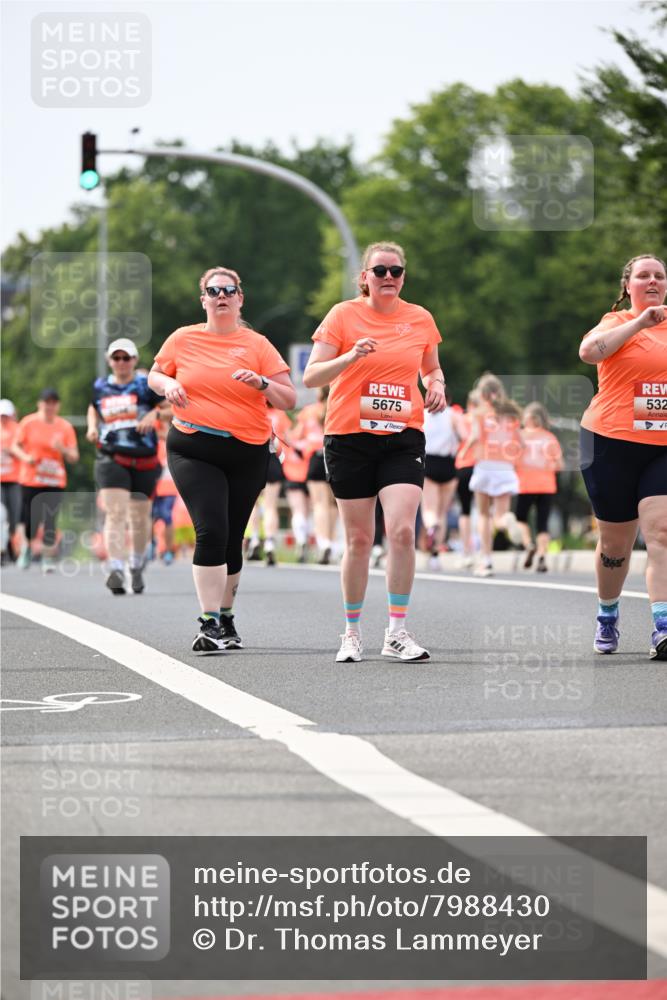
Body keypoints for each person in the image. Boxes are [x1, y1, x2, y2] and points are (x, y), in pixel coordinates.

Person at [304, 240, 445, 662]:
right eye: (379, 270)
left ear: (404, 276)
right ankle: (351, 631)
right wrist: (349, 356)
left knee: (402, 530)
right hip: (350, 437)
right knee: (360, 539)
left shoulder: (419, 318)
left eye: (396, 271)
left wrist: (435, 383)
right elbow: (311, 377)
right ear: (364, 276)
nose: (388, 277)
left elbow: (431, 366)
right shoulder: (343, 315)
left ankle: (397, 631)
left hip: (403, 436)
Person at [148, 266, 296, 652]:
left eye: (229, 290)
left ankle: (226, 617)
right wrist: (170, 383)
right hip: (193, 445)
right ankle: (209, 621)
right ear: (204, 300)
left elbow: (289, 398)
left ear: (240, 298)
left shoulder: (257, 344)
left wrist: (262, 383)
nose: (221, 296)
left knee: (232, 538)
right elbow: (154, 376)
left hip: (247, 450)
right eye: (213, 291)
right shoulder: (183, 339)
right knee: (211, 529)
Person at [579, 253, 667, 659]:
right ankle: (607, 614)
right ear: (627, 286)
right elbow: (589, 353)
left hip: (662, 449)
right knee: (615, 545)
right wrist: (640, 322)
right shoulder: (615, 322)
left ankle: (662, 627)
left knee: (661, 533)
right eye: (644, 276)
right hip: (610, 442)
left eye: (659, 276)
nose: (652, 281)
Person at [87, 338, 163, 595]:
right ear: (110, 361)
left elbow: (174, 408)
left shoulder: (145, 385)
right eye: (116, 358)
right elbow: (92, 407)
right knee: (116, 513)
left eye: (126, 358)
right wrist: (91, 427)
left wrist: (155, 415)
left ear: (134, 360)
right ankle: (116, 568)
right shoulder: (100, 386)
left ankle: (137, 564)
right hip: (111, 457)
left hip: (144, 458)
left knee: (140, 518)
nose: (121, 363)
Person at [459, 373, 523, 578]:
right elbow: (520, 443)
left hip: (485, 464)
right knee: (499, 516)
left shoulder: (479, 413)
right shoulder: (512, 414)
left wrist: (464, 450)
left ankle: (486, 560)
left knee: (484, 515)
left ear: (483, 394)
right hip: (505, 466)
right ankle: (507, 520)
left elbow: (476, 437)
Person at [11, 388, 79, 572]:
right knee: (31, 520)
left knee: (50, 519)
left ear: (58, 405)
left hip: (54, 480)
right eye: (46, 402)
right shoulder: (28, 423)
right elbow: (14, 446)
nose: (49, 406)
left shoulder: (64, 427)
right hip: (31, 478)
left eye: (53, 402)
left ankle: (48, 557)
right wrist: (26, 458)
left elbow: (74, 456)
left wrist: (62, 449)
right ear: (39, 403)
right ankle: (27, 548)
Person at [515, 402, 563, 573]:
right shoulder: (549, 438)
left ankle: (529, 545)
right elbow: (559, 465)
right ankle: (542, 556)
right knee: (542, 524)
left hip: (525, 484)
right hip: (546, 485)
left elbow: (511, 459)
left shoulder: (519, 436)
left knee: (521, 519)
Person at [297, 387, 338, 564]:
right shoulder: (337, 406)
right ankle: (332, 542)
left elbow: (296, 436)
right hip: (335, 455)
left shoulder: (310, 411)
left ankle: (323, 543)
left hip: (316, 456)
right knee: (333, 504)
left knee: (319, 504)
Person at [421, 392, 462, 567]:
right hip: (449, 463)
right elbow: (465, 436)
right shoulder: (453, 415)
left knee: (429, 507)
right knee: (442, 511)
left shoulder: (422, 414)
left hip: (428, 460)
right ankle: (437, 552)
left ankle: (431, 526)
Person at [453, 390, 480, 569]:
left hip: (462, 465)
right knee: (484, 511)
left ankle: (466, 552)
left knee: (465, 510)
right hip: (482, 464)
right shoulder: (487, 420)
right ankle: (483, 551)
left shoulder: (460, 418)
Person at [1, 399, 21, 564]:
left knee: (14, 518)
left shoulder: (18, 430)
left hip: (15, 479)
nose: (4, 419)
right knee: (1, 515)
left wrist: (12, 451)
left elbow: (24, 450)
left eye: (6, 416)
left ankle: (11, 547)